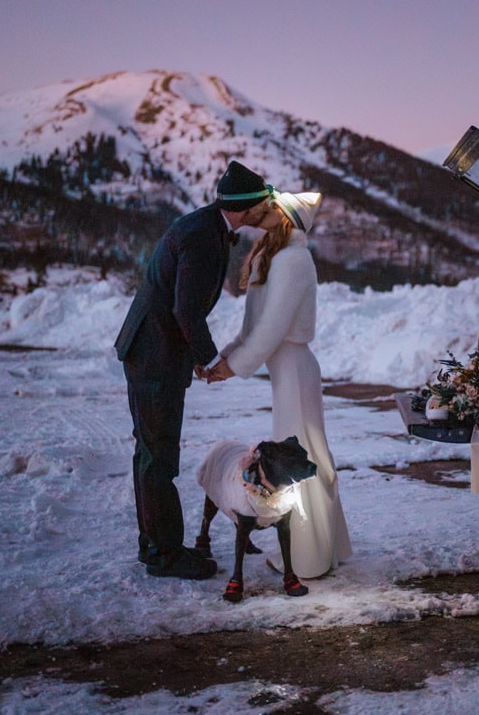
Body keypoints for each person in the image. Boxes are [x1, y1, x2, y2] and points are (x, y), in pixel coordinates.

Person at [115, 160, 274, 580]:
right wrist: (208, 360)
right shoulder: (204, 236)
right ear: (247, 207)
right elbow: (185, 309)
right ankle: (165, 554)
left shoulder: (206, 227)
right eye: (263, 206)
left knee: (150, 452)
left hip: (152, 351)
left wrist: (197, 356)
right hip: (155, 356)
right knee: (159, 455)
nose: (266, 214)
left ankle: (154, 544)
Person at [205, 190, 353, 579]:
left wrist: (233, 366)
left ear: (287, 218)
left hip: (296, 370)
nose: (262, 210)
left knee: (304, 459)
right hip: (284, 371)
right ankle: (320, 549)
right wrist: (224, 358)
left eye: (271, 208)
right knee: (304, 456)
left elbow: (272, 330)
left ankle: (309, 557)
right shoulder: (271, 258)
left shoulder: (293, 260)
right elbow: (253, 326)